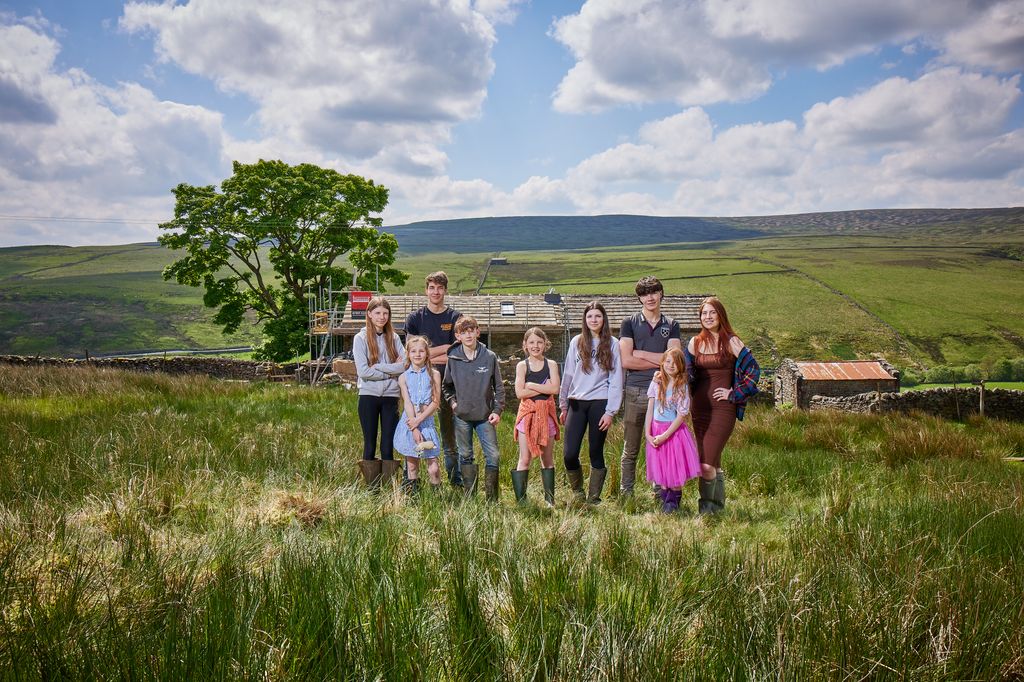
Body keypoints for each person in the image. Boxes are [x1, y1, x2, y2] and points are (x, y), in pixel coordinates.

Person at [684, 297, 760, 514]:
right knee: (713, 464)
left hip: (723, 409)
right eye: (704, 314)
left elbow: (754, 371)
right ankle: (717, 511)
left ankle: (706, 512)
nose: (707, 317)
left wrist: (734, 393)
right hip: (699, 409)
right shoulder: (694, 343)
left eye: (712, 313)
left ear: (720, 315)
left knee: (705, 466)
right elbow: (686, 374)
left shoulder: (732, 342)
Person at [618, 276, 681, 497]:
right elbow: (626, 360)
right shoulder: (629, 323)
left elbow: (676, 360)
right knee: (631, 447)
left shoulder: (672, 325)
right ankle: (627, 495)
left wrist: (642, 353)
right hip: (635, 390)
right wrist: (663, 359)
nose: (650, 297)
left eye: (654, 292)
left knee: (659, 445)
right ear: (639, 298)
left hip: (665, 393)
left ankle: (659, 494)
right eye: (645, 294)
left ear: (661, 294)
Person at [559, 302, 622, 504]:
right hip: (576, 402)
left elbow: (616, 378)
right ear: (585, 320)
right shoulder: (576, 342)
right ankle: (577, 492)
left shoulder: (613, 343)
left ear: (604, 319)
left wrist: (610, 411)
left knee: (595, 451)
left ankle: (594, 497)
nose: (593, 320)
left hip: (600, 403)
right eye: (590, 317)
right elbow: (568, 373)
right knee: (569, 454)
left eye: (598, 316)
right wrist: (563, 404)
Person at [404, 271, 463, 488]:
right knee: (416, 430)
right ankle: (411, 481)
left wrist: (427, 352)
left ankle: (455, 481)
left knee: (449, 435)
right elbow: (411, 353)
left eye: (439, 288)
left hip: (449, 382)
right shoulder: (415, 319)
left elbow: (456, 353)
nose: (435, 292)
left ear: (445, 290)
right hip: (420, 382)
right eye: (431, 287)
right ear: (426, 290)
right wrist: (443, 349)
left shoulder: (455, 318)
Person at [441, 315, 505, 500]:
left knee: (493, 456)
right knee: (466, 455)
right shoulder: (453, 358)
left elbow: (499, 388)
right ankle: (470, 497)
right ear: (457, 336)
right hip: (462, 416)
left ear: (478, 332)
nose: (468, 335)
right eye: (463, 332)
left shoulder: (489, 357)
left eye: (471, 331)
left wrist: (497, 410)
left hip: (485, 416)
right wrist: (453, 403)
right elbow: (447, 386)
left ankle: (491, 499)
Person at [353, 296, 406, 488]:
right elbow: (363, 371)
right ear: (369, 314)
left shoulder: (394, 338)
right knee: (369, 443)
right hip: (368, 396)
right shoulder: (360, 338)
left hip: (390, 397)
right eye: (377, 313)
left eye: (385, 313)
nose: (382, 317)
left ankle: (388, 489)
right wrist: (389, 372)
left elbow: (404, 365)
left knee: (387, 445)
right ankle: (372, 489)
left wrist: (380, 367)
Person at [644, 347, 701, 513]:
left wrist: (665, 435)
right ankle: (664, 502)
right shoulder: (657, 382)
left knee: (673, 470)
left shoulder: (681, 386)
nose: (671, 365)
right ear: (662, 362)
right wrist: (648, 433)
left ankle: (673, 504)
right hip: (655, 429)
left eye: (675, 363)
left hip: (672, 432)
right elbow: (650, 408)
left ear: (681, 366)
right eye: (668, 361)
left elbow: (682, 415)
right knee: (661, 468)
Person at [512, 328, 561, 505]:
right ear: (525, 345)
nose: (535, 346)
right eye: (531, 342)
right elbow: (519, 392)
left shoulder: (552, 365)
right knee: (524, 458)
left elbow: (555, 389)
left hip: (546, 415)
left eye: (539, 342)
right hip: (528, 415)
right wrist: (543, 387)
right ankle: (521, 500)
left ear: (545, 344)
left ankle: (549, 500)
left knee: (546, 458)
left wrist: (531, 384)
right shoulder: (522, 366)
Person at [393, 335, 443, 494]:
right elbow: (407, 402)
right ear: (408, 354)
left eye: (421, 351)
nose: (417, 354)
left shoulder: (434, 374)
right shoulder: (403, 377)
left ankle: (437, 498)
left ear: (427, 354)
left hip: (426, 422)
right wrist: (413, 427)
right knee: (412, 464)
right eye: (413, 351)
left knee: (433, 466)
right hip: (409, 423)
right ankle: (413, 498)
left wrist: (420, 420)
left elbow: (436, 401)